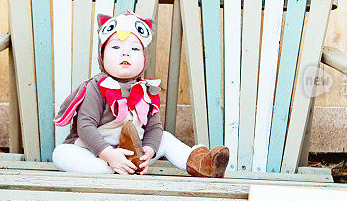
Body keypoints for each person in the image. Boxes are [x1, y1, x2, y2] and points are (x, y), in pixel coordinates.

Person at [52, 11, 228, 177]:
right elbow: (85, 127)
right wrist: (109, 155)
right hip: (94, 152)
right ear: (102, 56)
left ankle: (203, 164)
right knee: (61, 154)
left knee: (164, 138)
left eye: (135, 49)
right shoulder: (96, 87)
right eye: (115, 47)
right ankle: (111, 168)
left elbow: (154, 128)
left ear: (144, 58)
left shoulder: (147, 90)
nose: (125, 52)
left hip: (135, 153)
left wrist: (149, 151)